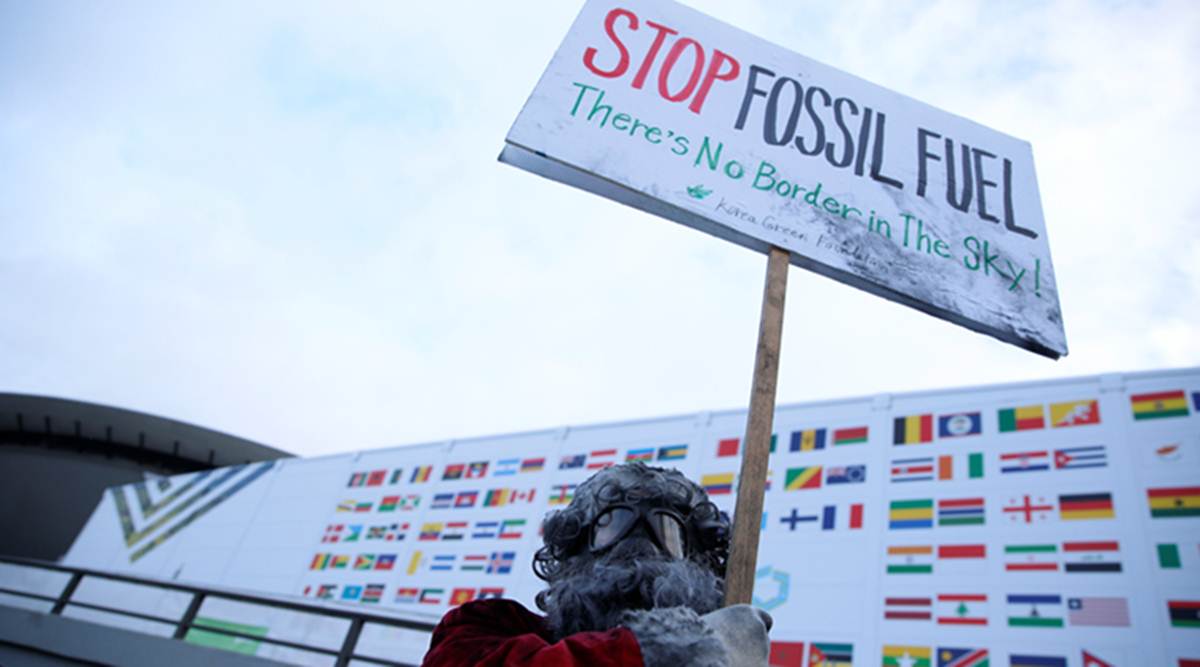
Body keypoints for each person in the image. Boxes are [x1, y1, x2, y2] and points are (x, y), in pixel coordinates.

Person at [421, 462, 772, 666]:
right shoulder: (484, 627)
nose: (637, 546)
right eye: (613, 522)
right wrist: (675, 647)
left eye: (667, 530)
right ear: (572, 546)